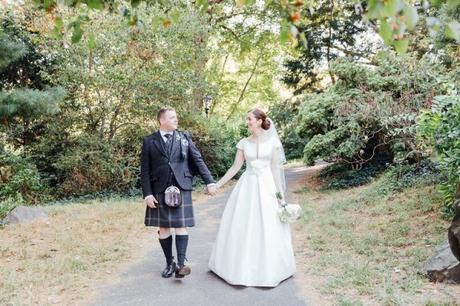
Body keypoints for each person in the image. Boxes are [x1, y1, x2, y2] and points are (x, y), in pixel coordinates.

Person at [209, 107, 296, 287]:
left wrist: (281, 197)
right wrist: (217, 185)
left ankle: (271, 268)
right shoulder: (243, 143)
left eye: (249, 119)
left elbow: (275, 170)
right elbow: (235, 168)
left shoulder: (273, 143)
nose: (247, 122)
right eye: (247, 119)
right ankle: (238, 267)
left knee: (267, 224)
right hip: (247, 186)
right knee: (243, 224)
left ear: (259, 121)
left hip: (266, 187)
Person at [140, 107, 217, 279]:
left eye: (176, 117)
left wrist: (210, 181)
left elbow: (197, 160)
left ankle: (182, 265)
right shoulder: (149, 141)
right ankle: (170, 263)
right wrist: (147, 194)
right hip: (159, 189)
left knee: (181, 226)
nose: (176, 120)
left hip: (181, 187)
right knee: (164, 227)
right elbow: (144, 170)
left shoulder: (184, 137)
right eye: (172, 117)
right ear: (162, 120)